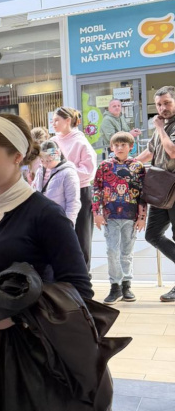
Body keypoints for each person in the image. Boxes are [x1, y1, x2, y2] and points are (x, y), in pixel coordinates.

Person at [0, 114, 133, 411]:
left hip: (34, 354)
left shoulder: (45, 215)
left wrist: (19, 318)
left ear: (18, 156)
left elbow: (79, 288)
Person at [93, 132, 146, 304]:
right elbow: (97, 190)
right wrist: (97, 213)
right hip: (110, 216)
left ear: (131, 147)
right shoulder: (104, 166)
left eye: (123, 145)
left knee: (126, 252)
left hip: (131, 217)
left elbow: (143, 194)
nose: (120, 148)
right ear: (111, 147)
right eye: (116, 145)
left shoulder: (138, 167)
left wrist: (142, 216)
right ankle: (114, 286)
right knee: (111, 251)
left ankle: (126, 284)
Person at [136, 86, 175, 300]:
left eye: (167, 103)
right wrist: (129, 162)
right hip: (161, 189)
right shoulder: (163, 124)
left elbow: (172, 151)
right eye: (159, 104)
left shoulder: (165, 125)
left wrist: (160, 128)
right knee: (152, 234)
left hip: (174, 189)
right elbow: (151, 150)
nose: (162, 108)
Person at [52, 106, 97, 269]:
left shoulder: (80, 141)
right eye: (52, 120)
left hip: (80, 192)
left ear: (68, 121)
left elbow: (89, 171)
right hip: (57, 193)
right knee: (60, 235)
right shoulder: (53, 141)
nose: (53, 123)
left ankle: (84, 276)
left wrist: (65, 171)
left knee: (81, 236)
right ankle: (65, 276)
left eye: (57, 120)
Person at [33, 140, 81, 226]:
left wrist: (68, 224)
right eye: (43, 161)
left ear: (57, 155)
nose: (45, 163)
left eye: (49, 160)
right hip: (41, 219)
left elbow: (73, 202)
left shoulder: (68, 173)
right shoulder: (40, 170)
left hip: (59, 220)